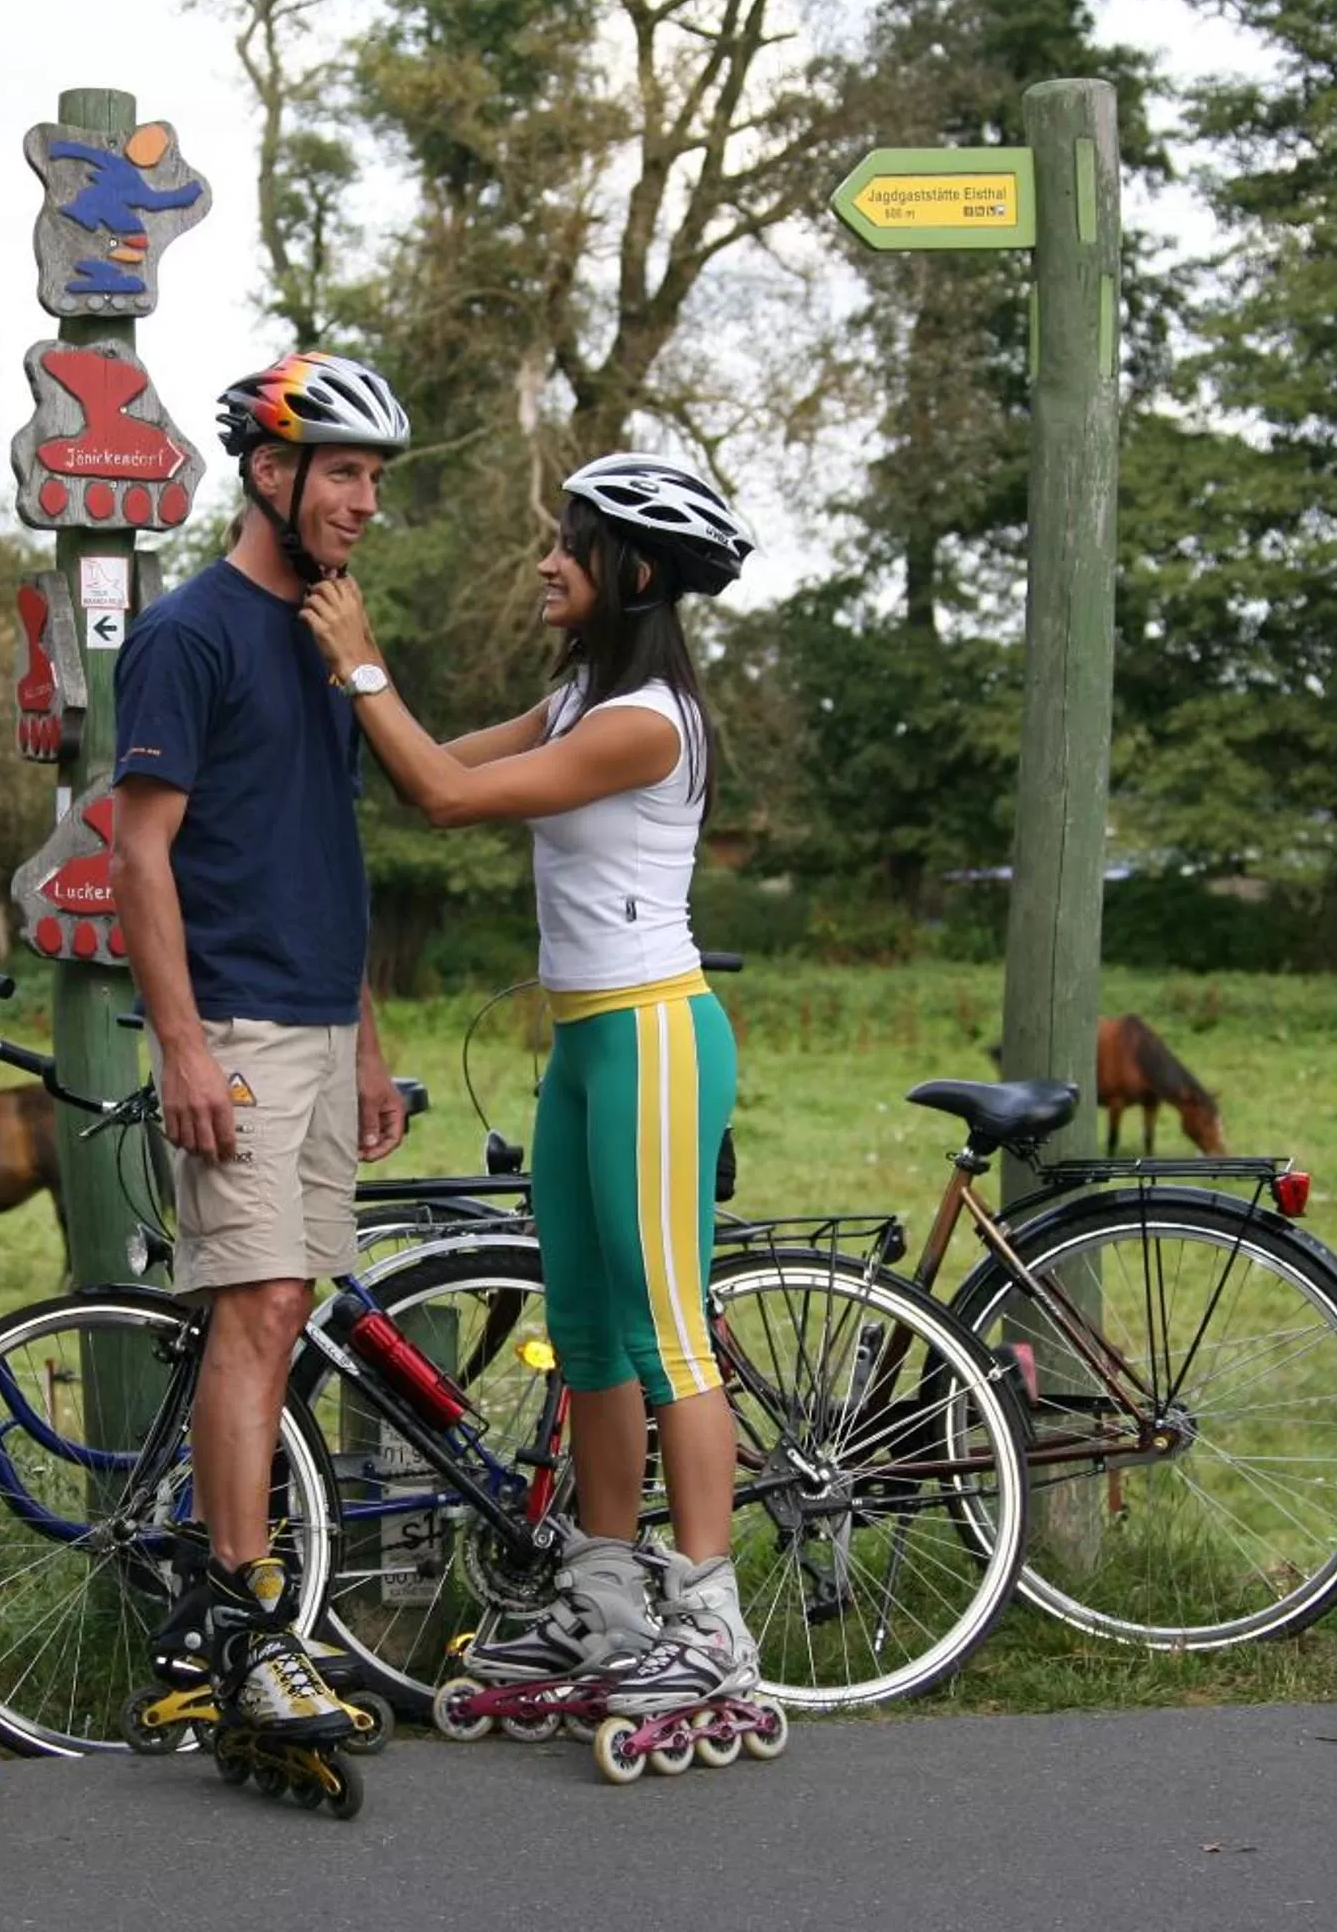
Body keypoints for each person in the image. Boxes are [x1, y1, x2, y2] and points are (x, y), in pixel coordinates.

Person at [298, 449, 761, 1720]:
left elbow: (446, 798)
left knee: (670, 1332)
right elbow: (423, 765)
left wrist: (363, 657)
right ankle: (606, 1597)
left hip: (657, 1037)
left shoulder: (644, 721)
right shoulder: (572, 705)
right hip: (582, 1048)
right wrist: (329, 686)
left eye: (573, 543)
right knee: (594, 1335)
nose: (548, 560)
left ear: (636, 573)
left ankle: (711, 1618)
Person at [107, 352, 415, 1745]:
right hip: (229, 1020)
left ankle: (230, 1609)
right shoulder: (191, 631)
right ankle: (241, 1619)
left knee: (288, 1311)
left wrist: (366, 1035)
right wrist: (179, 1043)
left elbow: (326, 847)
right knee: (257, 1305)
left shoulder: (324, 634)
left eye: (371, 477)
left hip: (315, 1019)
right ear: (269, 472)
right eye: (343, 471)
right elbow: (140, 850)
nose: (363, 500)